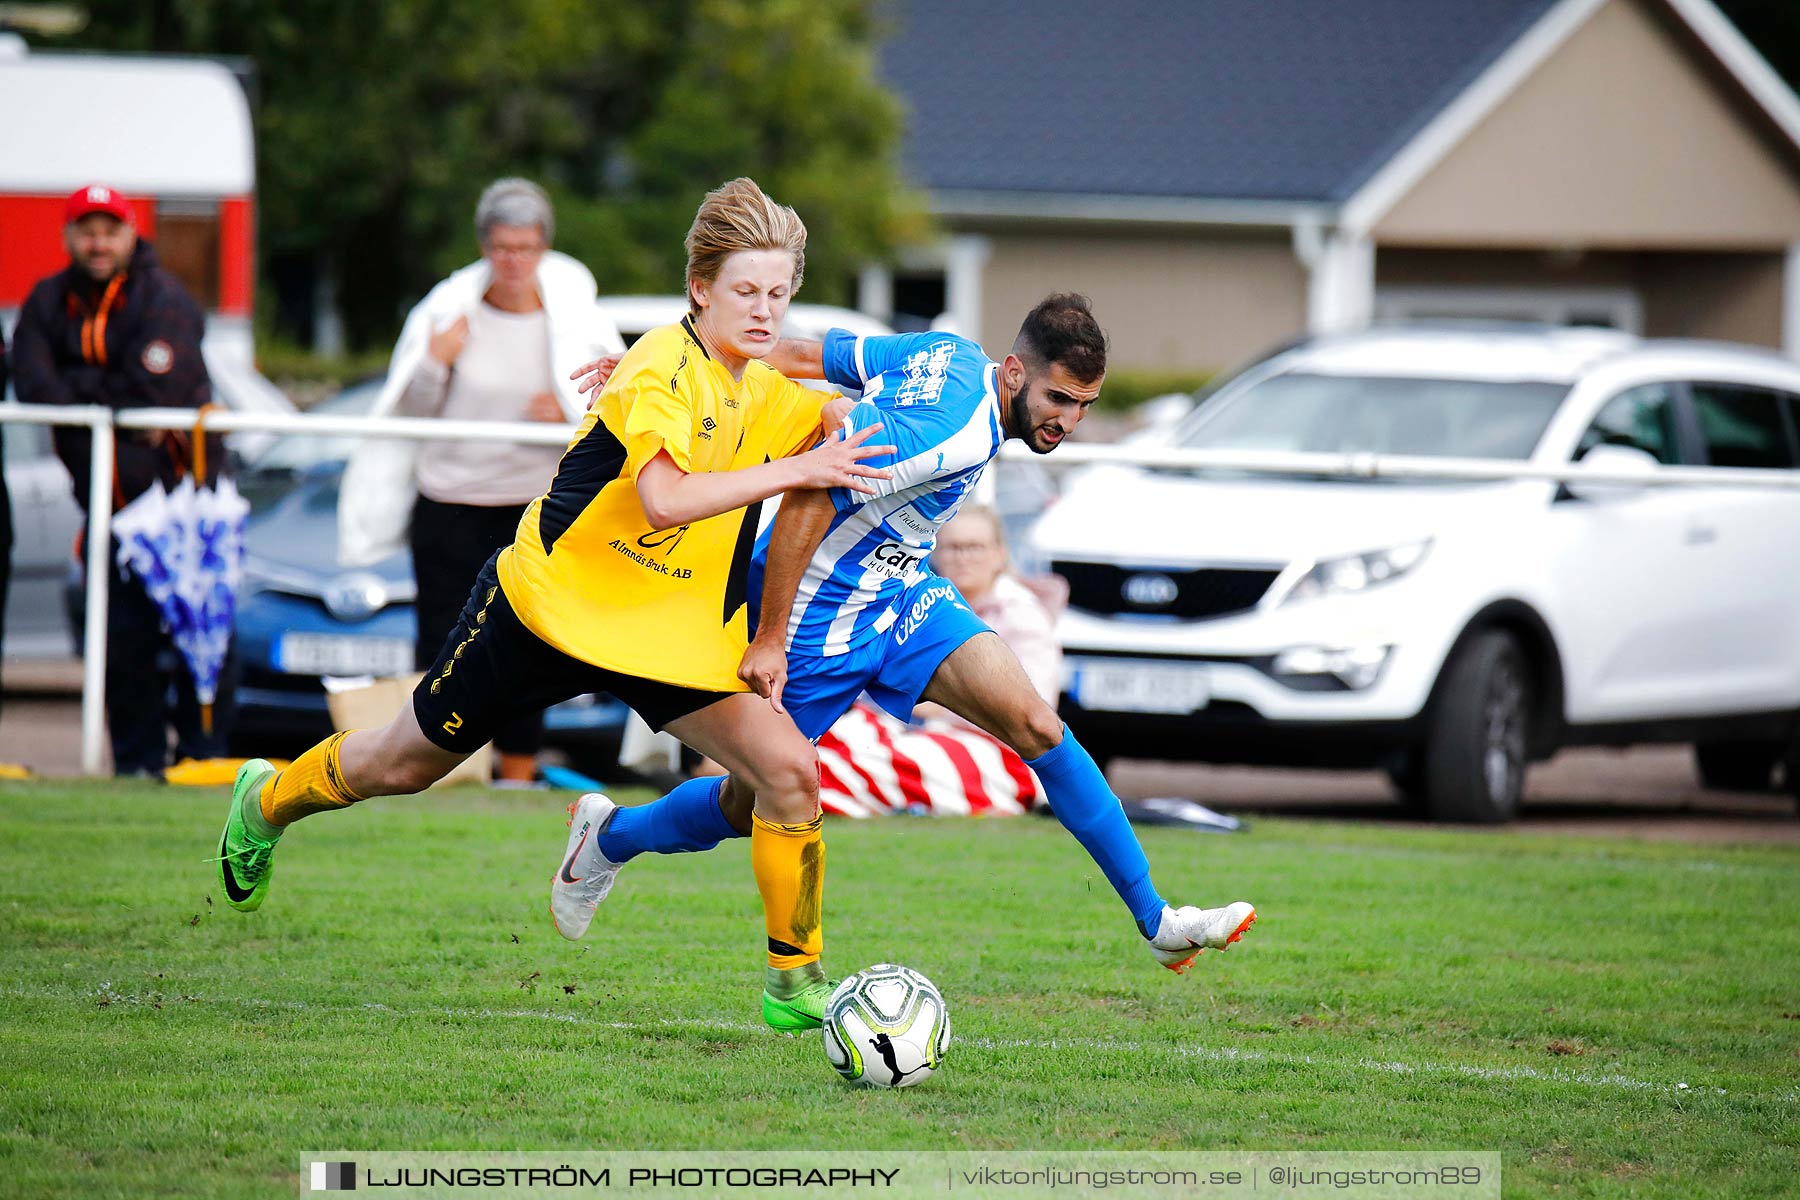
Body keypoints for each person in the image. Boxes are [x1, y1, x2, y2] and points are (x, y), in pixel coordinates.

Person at [214, 179, 894, 1033]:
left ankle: (795, 986)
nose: (765, 313)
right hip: (546, 611)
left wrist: (889, 413)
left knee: (790, 773)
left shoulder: (762, 382)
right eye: (746, 293)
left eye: (778, 294)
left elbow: (841, 413)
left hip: (668, 634)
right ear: (700, 289)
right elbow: (666, 502)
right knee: (403, 766)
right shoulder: (657, 365)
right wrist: (801, 467)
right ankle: (266, 802)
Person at [553, 295, 1255, 1026]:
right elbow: (808, 502)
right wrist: (768, 638)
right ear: (1014, 372)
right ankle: (607, 839)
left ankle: (1158, 924)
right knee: (746, 802)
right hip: (812, 617)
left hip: (901, 594)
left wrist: (662, 367)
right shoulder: (946, 432)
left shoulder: (946, 354)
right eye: (1058, 399)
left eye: (1084, 405)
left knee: (1037, 726)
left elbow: (803, 352)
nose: (1069, 421)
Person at [342, 178, 625, 785]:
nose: (513, 260)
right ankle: (440, 770)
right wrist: (435, 361)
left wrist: (567, 410)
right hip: (450, 502)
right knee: (442, 641)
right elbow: (408, 409)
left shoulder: (575, 317)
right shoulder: (448, 314)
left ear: (544, 246)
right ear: (483, 247)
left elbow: (615, 406)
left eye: (524, 246)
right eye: (501, 247)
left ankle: (518, 771)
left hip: (534, 506)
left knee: (530, 640)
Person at [10, 184, 238, 778]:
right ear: (67, 238)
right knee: (120, 642)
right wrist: (102, 397)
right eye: (86, 229)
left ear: (131, 233)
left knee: (202, 635)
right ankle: (135, 767)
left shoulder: (163, 296)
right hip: (109, 512)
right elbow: (33, 384)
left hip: (181, 507)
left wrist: (83, 387)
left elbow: (152, 386)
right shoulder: (48, 301)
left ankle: (202, 763)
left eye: (109, 229)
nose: (98, 241)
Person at [814, 504, 1062, 816]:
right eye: (953, 547)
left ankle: (800, 800)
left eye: (974, 547)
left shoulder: (1020, 616)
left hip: (991, 747)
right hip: (902, 724)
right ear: (937, 553)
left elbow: (1031, 711)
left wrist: (932, 707)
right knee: (827, 738)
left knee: (878, 761)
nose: (963, 557)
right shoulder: (918, 603)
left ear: (999, 554)